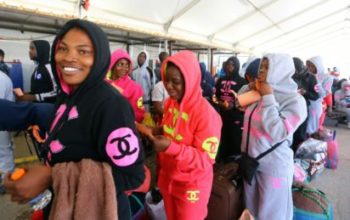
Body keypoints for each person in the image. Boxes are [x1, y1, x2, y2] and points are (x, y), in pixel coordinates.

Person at [4, 19, 145, 220]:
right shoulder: (68, 95)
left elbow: (132, 176)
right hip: (65, 206)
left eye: (83, 51)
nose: (69, 58)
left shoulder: (112, 106)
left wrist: (52, 176)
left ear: (100, 57)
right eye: (63, 49)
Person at [145, 50, 222, 220]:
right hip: (169, 180)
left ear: (190, 80)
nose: (169, 86)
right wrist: (156, 130)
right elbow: (170, 129)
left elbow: (205, 159)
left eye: (176, 82)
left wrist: (170, 148)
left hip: (191, 186)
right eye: (167, 80)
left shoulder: (206, 115)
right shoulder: (171, 103)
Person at [242, 54, 307, 220]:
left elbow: (278, 131)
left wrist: (269, 98)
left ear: (280, 71)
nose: (260, 71)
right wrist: (251, 87)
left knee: (272, 213)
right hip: (251, 164)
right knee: (252, 210)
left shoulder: (295, 101)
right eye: (261, 67)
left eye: (266, 67)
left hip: (274, 170)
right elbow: (239, 103)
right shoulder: (259, 91)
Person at [215, 56, 246, 162]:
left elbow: (243, 100)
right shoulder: (220, 80)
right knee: (222, 135)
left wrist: (233, 105)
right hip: (222, 114)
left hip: (235, 116)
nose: (230, 66)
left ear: (237, 66)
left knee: (234, 136)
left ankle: (233, 160)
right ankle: (222, 157)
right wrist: (218, 103)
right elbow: (216, 95)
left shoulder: (242, 81)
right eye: (228, 64)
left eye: (232, 64)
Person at [106, 49, 145, 122]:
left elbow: (140, 114)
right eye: (120, 64)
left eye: (127, 65)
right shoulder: (103, 83)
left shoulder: (135, 88)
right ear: (112, 64)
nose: (124, 68)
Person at [291, 57, 319, 151]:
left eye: (296, 71)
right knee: (289, 134)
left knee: (300, 134)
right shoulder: (289, 75)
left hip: (303, 109)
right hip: (289, 108)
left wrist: (305, 92)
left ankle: (298, 159)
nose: (294, 73)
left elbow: (316, 96)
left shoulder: (311, 78)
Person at [306, 56, 333, 134]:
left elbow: (324, 94)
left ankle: (311, 143)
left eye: (312, 66)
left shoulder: (327, 77)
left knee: (312, 127)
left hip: (315, 104)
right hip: (305, 103)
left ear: (318, 65)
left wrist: (316, 82)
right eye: (308, 66)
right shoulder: (307, 75)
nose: (309, 68)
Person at [0, 70, 15, 194]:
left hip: (2, 118)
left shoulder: (1, 78)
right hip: (5, 118)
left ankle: (6, 181)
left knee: (4, 150)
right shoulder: (4, 77)